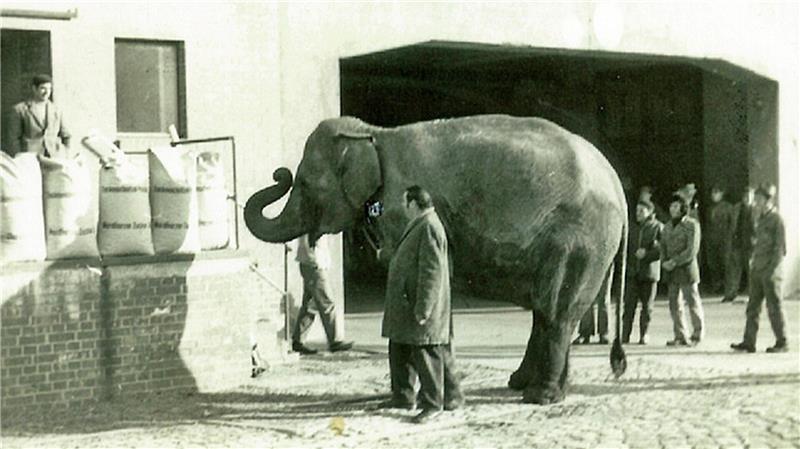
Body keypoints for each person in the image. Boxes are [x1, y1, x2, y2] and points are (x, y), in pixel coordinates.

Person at [379, 185, 463, 424]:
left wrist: (424, 308)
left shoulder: (429, 226)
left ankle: (432, 403)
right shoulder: (420, 223)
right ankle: (403, 396)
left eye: (405, 203)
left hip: (419, 307)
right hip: (406, 305)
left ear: (414, 203)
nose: (404, 208)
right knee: (400, 349)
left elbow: (432, 271)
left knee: (426, 354)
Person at [731, 184, 788, 353]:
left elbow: (780, 248)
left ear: (768, 200)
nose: (755, 202)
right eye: (755, 199)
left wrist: (771, 269)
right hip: (757, 268)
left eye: (759, 199)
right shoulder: (759, 218)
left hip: (770, 271)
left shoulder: (777, 219)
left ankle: (782, 341)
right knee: (752, 307)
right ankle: (749, 341)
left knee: (774, 307)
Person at [291, 234, 353, 355]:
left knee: (310, 305)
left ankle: (298, 341)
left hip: (312, 263)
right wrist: (316, 262)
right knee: (327, 302)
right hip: (314, 264)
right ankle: (335, 341)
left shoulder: (314, 221)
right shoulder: (313, 222)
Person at [661, 193, 705, 347]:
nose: (672, 209)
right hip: (672, 271)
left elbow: (692, 249)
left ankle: (697, 333)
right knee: (674, 304)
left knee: (692, 301)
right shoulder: (667, 226)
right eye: (671, 206)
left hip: (686, 269)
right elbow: (663, 247)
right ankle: (680, 335)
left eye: (676, 206)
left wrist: (675, 261)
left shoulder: (692, 225)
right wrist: (664, 262)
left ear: (683, 208)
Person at [622, 198, 662, 345]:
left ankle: (644, 334)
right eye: (637, 210)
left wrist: (647, 254)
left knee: (647, 308)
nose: (638, 214)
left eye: (641, 211)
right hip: (632, 273)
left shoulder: (657, 227)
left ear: (650, 211)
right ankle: (625, 335)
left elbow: (662, 249)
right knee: (628, 307)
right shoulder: (631, 228)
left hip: (649, 274)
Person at [6, 74, 72, 158]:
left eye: (49, 89)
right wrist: (19, 158)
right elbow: (13, 139)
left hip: (53, 157)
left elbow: (66, 135)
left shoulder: (56, 110)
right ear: (34, 88)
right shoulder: (20, 110)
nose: (46, 92)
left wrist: (66, 154)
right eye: (43, 88)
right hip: (30, 158)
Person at [722, 187, 755, 303]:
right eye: (745, 196)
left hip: (751, 245)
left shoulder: (757, 210)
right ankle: (731, 293)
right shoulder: (736, 209)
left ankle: (754, 294)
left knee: (752, 270)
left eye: (749, 196)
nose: (747, 198)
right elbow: (730, 225)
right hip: (737, 243)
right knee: (734, 270)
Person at [705, 186, 735, 294]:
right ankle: (716, 285)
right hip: (712, 239)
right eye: (712, 193)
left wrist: (729, 238)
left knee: (726, 264)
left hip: (725, 239)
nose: (714, 195)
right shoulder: (710, 208)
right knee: (713, 263)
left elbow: (732, 224)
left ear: (722, 194)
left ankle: (728, 288)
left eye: (716, 192)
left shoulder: (728, 207)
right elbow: (709, 225)